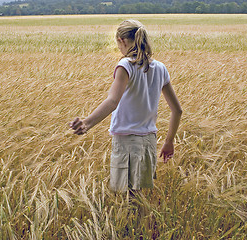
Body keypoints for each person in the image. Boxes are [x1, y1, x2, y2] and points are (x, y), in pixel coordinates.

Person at [70, 20, 182, 193]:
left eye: (118, 44)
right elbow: (177, 110)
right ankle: (141, 220)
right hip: (149, 142)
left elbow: (112, 101)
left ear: (122, 40)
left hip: (127, 142)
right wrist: (169, 142)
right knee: (138, 196)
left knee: (125, 198)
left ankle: (135, 221)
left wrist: (87, 123)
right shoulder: (160, 68)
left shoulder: (125, 66)